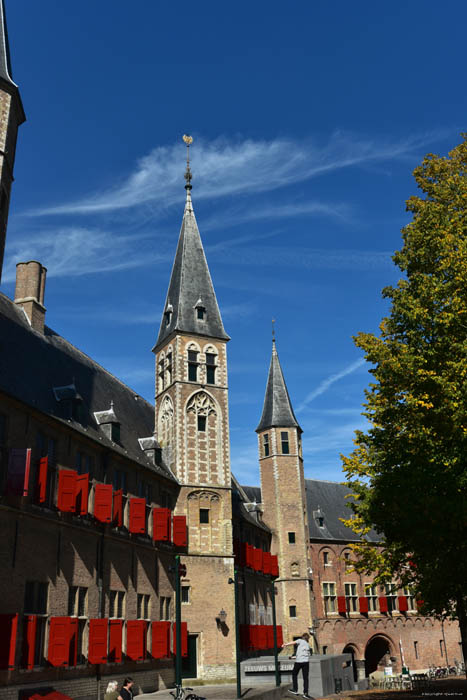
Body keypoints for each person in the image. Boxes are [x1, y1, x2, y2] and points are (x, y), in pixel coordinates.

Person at [282, 633, 313, 698]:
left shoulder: (300, 641)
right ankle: (305, 693)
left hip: (299, 662)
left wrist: (285, 644)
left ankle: (295, 689)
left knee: (294, 674)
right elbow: (304, 655)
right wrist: (292, 657)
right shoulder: (308, 645)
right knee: (305, 678)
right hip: (306, 663)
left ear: (303, 637)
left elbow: (293, 642)